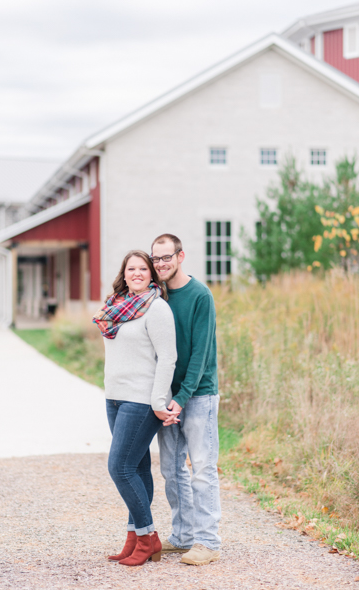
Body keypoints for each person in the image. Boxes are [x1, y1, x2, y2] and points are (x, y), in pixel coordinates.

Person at [93, 250, 177, 567]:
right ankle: (134, 537)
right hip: (114, 397)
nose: (138, 273)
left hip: (141, 399)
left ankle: (148, 536)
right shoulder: (115, 306)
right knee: (138, 469)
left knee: (120, 467)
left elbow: (168, 358)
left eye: (144, 268)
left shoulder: (157, 309)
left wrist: (157, 401)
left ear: (151, 275)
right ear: (124, 274)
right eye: (132, 268)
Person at [150, 233, 221, 566]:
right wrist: (164, 397)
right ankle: (183, 537)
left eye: (167, 257)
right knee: (171, 470)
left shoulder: (200, 295)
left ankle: (208, 542)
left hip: (198, 395)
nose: (161, 264)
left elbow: (201, 354)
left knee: (202, 470)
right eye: (156, 259)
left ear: (180, 256)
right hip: (168, 398)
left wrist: (182, 397)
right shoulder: (157, 295)